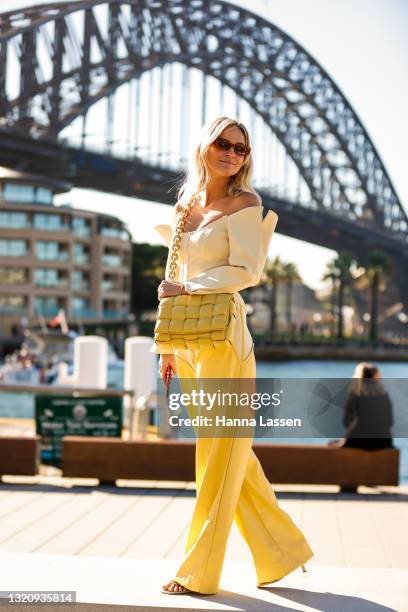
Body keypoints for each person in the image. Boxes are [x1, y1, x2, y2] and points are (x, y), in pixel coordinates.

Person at [150, 116, 314, 596]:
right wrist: (167, 347)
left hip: (225, 339)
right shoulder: (186, 207)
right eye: (223, 144)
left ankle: (198, 571)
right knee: (233, 455)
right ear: (205, 146)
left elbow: (247, 270)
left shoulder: (247, 203)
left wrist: (189, 286)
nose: (231, 153)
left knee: (216, 456)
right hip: (189, 343)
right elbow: (169, 278)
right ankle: (283, 550)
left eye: (241, 149)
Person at [328, 362, 394, 450]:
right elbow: (390, 422)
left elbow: (347, 422)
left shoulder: (355, 394)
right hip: (383, 442)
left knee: (332, 444)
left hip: (358, 441)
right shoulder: (384, 394)